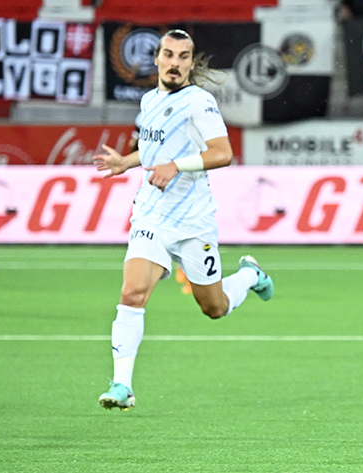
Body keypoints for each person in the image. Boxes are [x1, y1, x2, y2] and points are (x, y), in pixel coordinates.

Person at [93, 29, 274, 410]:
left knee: (214, 308)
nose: (174, 63)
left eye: (183, 56)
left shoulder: (199, 102)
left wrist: (175, 166)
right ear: (157, 58)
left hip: (193, 223)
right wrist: (126, 162)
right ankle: (122, 385)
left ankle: (250, 275)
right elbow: (152, 148)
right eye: (169, 54)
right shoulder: (149, 101)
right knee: (132, 293)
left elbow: (223, 153)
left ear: (191, 63)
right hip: (151, 215)